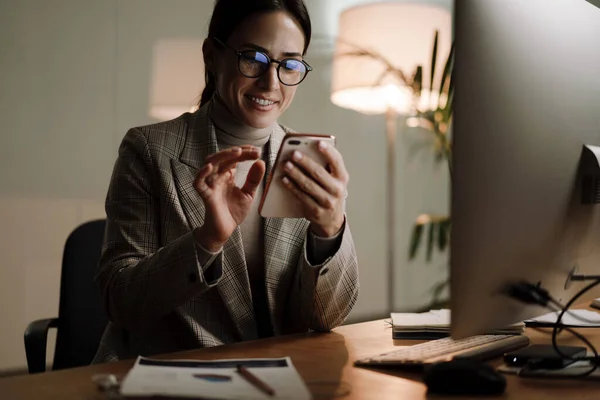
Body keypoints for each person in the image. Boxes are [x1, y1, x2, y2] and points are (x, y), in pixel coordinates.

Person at [92, 0, 359, 364]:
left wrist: (330, 232)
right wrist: (207, 240)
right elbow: (119, 301)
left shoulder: (308, 160)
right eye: (253, 58)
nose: (271, 82)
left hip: (280, 377)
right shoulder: (149, 150)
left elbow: (326, 318)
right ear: (212, 56)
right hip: (174, 376)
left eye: (289, 64)